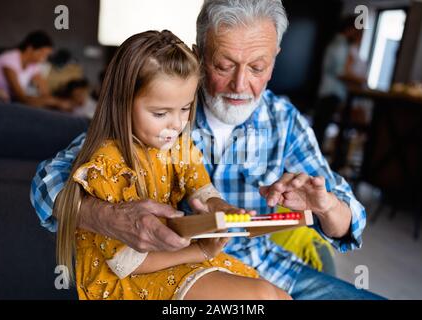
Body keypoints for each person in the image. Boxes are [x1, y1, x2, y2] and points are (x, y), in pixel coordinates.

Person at [31, 0, 383, 299]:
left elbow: (350, 222)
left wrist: (327, 206)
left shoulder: (283, 120)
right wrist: (108, 216)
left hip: (271, 267)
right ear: (199, 55)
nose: (240, 84)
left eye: (258, 67)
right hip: (182, 268)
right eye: (224, 65)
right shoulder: (158, 101)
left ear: (275, 58)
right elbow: (46, 184)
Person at [55, 29, 291, 300]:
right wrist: (201, 251)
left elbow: (200, 186)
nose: (176, 124)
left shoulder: (176, 144)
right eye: (160, 113)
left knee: (278, 295)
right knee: (260, 297)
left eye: (185, 108)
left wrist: (222, 209)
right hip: (125, 282)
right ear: (122, 103)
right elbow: (126, 263)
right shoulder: (108, 164)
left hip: (173, 260)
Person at [313, 16, 368, 150]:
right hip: (331, 92)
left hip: (333, 92)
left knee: (322, 128)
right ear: (350, 28)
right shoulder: (339, 45)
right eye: (356, 30)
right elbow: (340, 72)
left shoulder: (342, 45)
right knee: (319, 130)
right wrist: (360, 80)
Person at [0, 30, 70, 111]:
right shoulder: (9, 60)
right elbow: (21, 97)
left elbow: (45, 91)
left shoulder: (33, 65)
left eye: (46, 56)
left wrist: (56, 102)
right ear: (30, 48)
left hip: (5, 101)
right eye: (43, 54)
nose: (44, 59)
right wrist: (52, 102)